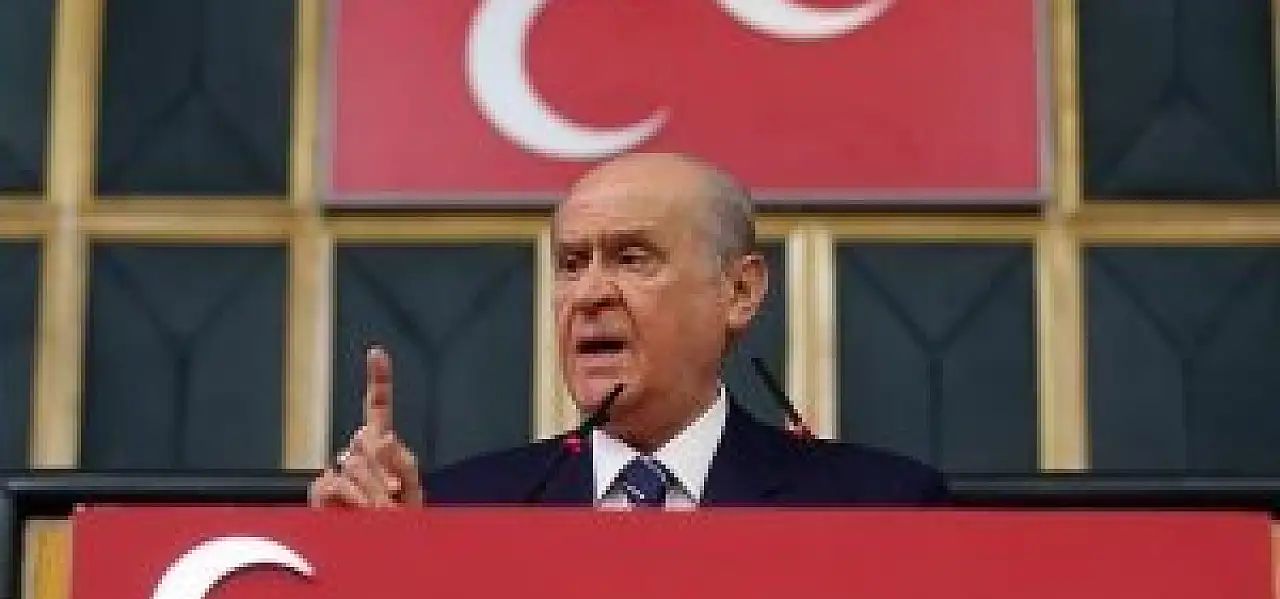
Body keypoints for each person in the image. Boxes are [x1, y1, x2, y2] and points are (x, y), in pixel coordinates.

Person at [309, 152, 947, 509]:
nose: (589, 294)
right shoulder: (457, 513)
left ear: (740, 292)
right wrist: (386, 568)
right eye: (570, 264)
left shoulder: (877, 507)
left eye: (632, 259)